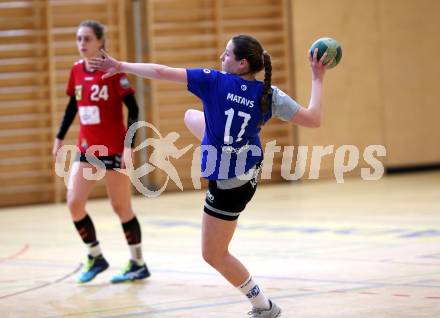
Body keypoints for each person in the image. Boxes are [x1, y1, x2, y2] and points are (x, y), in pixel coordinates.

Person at [90, 34, 329, 317]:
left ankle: (263, 305)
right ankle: (228, 142)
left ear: (241, 64)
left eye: (227, 54)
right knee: (192, 116)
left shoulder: (214, 81)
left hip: (229, 186)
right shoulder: (269, 94)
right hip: (248, 172)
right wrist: (317, 76)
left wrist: (121, 65)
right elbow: (314, 119)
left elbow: (161, 71)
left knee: (214, 254)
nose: (221, 58)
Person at [52, 20, 150, 284]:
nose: (81, 43)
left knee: (121, 207)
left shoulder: (113, 71)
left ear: (99, 42)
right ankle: (95, 256)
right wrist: (59, 137)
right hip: (87, 149)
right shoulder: (76, 70)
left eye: (86, 39)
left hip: (115, 149)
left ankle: (138, 263)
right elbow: (73, 105)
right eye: (78, 38)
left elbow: (135, 109)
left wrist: (130, 146)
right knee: (74, 203)